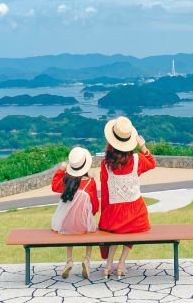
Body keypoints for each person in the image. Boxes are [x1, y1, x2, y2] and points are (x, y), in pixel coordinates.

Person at [98, 116, 155, 278]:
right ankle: (122, 263)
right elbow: (152, 163)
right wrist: (143, 147)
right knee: (130, 227)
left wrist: (105, 215)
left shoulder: (105, 165)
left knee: (117, 230)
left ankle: (109, 264)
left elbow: (106, 193)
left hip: (114, 213)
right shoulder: (138, 160)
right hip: (137, 216)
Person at [50, 146, 99, 279]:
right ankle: (87, 260)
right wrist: (90, 215)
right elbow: (95, 206)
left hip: (64, 224)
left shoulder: (67, 181)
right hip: (83, 225)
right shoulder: (90, 183)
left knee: (69, 225)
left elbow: (54, 186)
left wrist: (61, 170)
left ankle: (69, 260)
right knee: (90, 229)